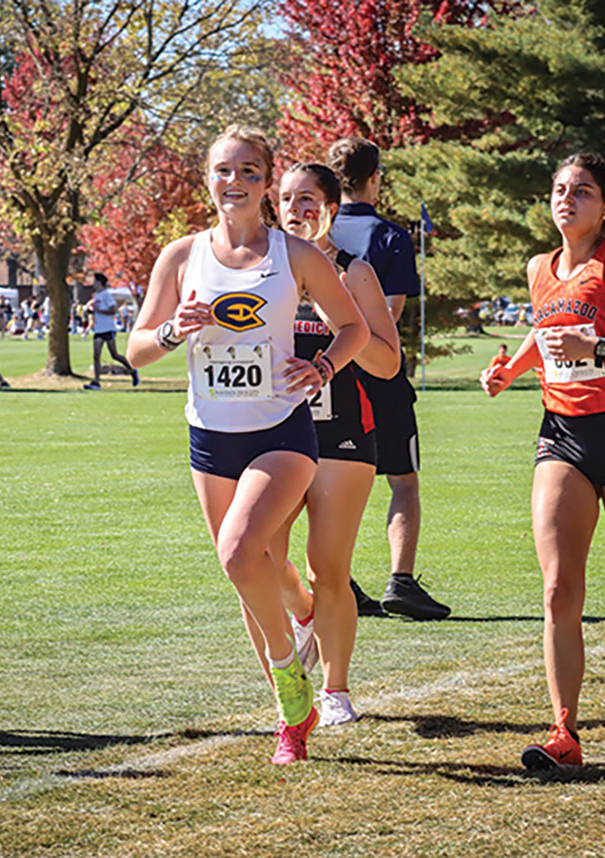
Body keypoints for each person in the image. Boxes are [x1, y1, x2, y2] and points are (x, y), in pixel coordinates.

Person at [126, 125, 369, 764]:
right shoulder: (182, 256)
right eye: (222, 171)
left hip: (281, 433)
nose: (234, 182)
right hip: (211, 436)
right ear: (208, 179)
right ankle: (293, 697)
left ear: (267, 181)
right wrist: (174, 332)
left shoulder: (296, 255)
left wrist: (322, 369)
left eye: (248, 172)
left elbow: (355, 329)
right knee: (253, 573)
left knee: (239, 553)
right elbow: (137, 349)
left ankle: (291, 677)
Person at [481, 152, 605, 769]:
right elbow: (546, 331)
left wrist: (595, 345)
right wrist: (512, 368)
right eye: (560, 189)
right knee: (557, 585)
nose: (567, 199)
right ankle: (564, 732)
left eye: (583, 191)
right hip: (562, 435)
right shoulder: (539, 267)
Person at [246, 162, 401, 727]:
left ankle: (335, 690)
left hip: (342, 436)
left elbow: (388, 363)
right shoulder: (262, 272)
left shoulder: (352, 273)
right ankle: (303, 616)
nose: (296, 209)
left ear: (332, 207)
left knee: (327, 566)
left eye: (308, 199)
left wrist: (338, 345)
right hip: (273, 433)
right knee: (262, 555)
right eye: (287, 199)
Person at [327, 136, 450, 621]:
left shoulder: (315, 231)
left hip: (325, 374)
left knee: (331, 483)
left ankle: (339, 578)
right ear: (375, 178)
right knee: (402, 481)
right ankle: (400, 580)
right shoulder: (390, 236)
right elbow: (390, 313)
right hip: (377, 372)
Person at [84, 272, 139, 389]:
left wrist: (99, 310)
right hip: (99, 330)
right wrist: (91, 311)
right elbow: (96, 310)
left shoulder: (106, 295)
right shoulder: (97, 296)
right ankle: (96, 382)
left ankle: (132, 370)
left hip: (108, 329)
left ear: (100, 283)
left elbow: (113, 310)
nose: (93, 284)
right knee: (96, 356)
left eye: (95, 281)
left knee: (114, 355)